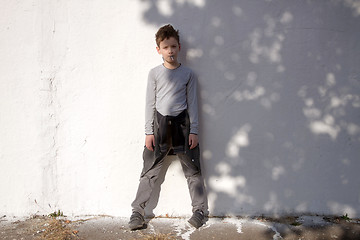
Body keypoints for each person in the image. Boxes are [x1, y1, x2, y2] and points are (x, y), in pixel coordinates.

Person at [129, 24, 208, 230]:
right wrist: (148, 132)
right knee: (149, 171)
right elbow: (150, 103)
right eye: (165, 47)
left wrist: (194, 131)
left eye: (173, 46)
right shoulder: (154, 73)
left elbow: (193, 103)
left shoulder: (188, 74)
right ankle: (137, 212)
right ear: (159, 50)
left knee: (193, 171)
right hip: (160, 128)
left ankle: (199, 211)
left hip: (183, 128)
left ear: (179, 47)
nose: (170, 51)